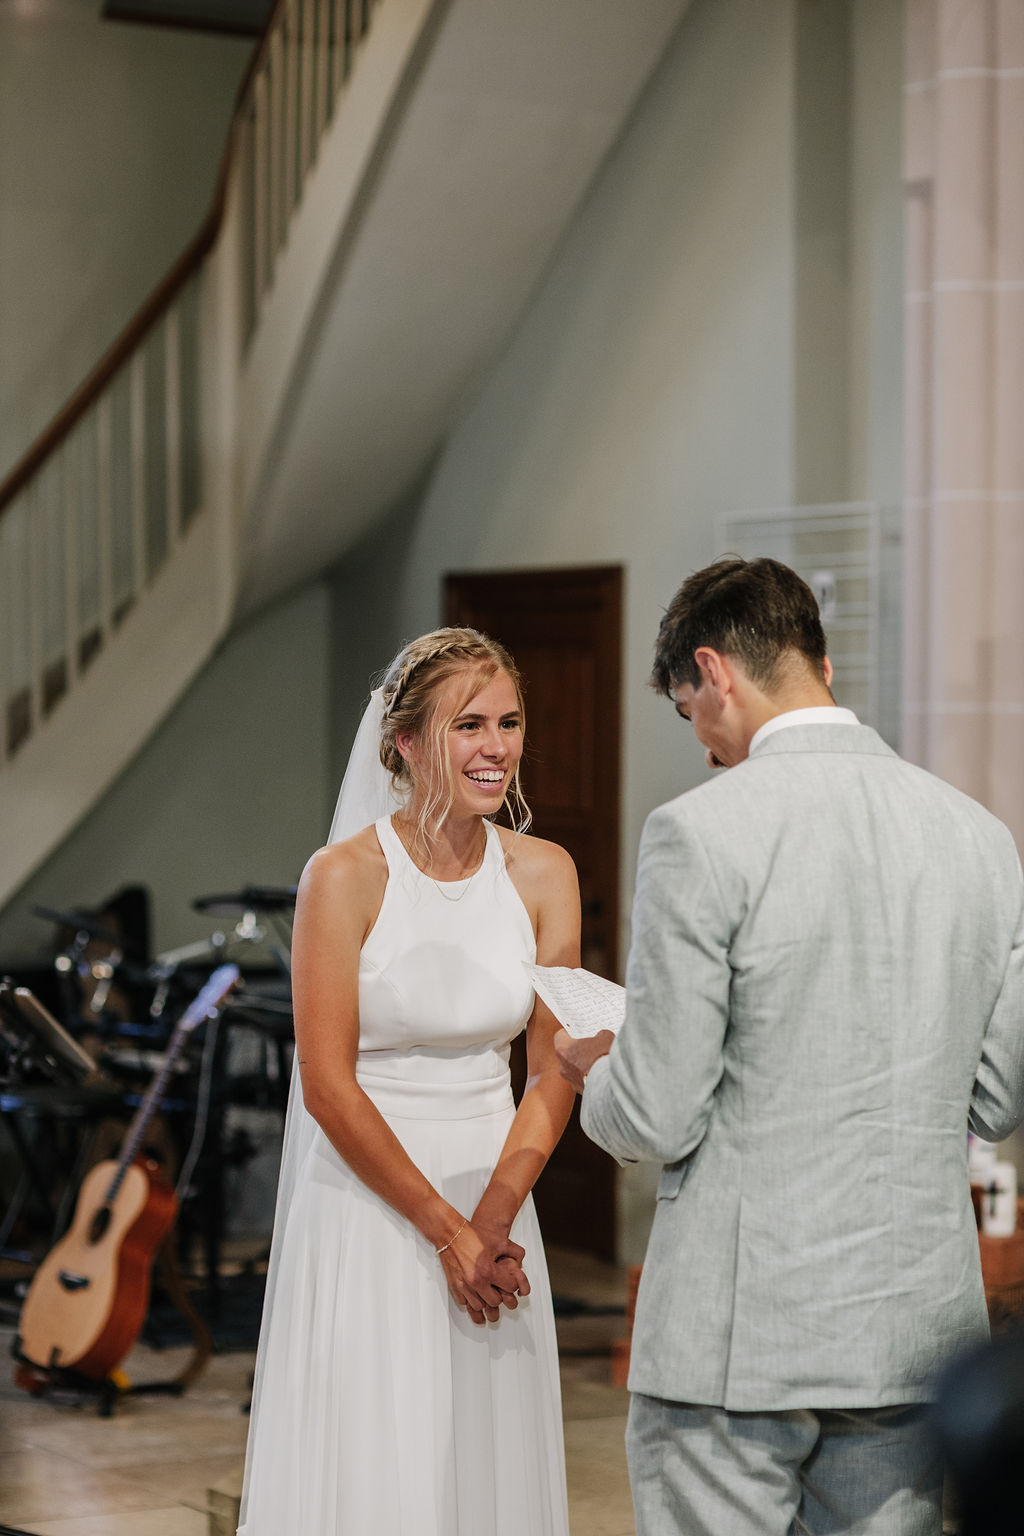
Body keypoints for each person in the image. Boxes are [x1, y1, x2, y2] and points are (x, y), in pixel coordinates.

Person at [555, 557, 1024, 1536]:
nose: (704, 745)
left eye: (690, 713)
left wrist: (595, 1069)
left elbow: (656, 1111)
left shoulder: (699, 832)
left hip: (740, 1336)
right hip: (910, 1332)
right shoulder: (981, 838)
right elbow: (995, 1099)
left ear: (713, 671)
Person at [239, 627, 579, 1536]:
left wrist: (491, 1223)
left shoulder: (546, 874)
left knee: (485, 1454)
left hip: (497, 1193)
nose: (496, 747)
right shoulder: (343, 876)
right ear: (406, 744)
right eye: (469, 725)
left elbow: (551, 1064)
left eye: (509, 723)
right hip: (371, 1202)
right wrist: (446, 1232)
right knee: (379, 1457)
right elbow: (326, 1082)